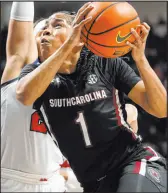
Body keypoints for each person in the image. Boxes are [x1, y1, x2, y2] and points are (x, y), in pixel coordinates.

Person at [16, 2, 167, 192]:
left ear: (79, 38)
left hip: (131, 162)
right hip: (92, 182)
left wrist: (140, 59)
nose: (47, 30)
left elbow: (161, 109)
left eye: (57, 25)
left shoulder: (104, 62)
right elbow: (24, 96)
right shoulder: (34, 74)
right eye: (43, 29)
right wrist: (66, 46)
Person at [1, 2, 66, 192]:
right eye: (41, 30)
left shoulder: (76, 81)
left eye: (54, 28)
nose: (47, 31)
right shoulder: (19, 69)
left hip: (52, 183)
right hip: (9, 180)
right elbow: (20, 39)